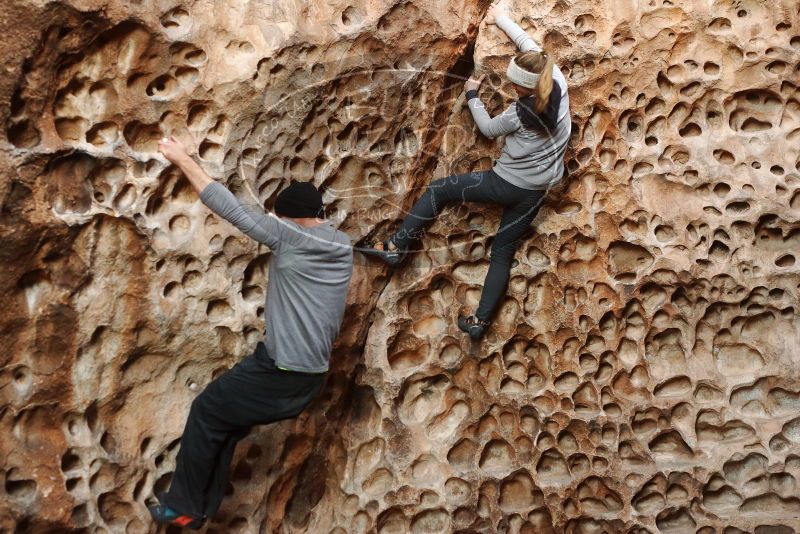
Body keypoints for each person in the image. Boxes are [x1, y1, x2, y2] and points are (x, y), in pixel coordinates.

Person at [147, 137, 353, 529]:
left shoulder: (290, 238)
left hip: (280, 372)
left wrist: (182, 159)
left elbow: (228, 206)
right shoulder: (341, 245)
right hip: (309, 378)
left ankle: (182, 506)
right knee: (224, 424)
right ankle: (196, 509)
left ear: (290, 219)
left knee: (206, 409)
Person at [363, 3, 571, 340]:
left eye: (516, 85)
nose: (513, 88)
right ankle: (480, 323)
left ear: (526, 87)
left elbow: (488, 129)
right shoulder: (556, 80)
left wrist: (472, 94)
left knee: (439, 190)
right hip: (536, 192)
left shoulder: (520, 114)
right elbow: (529, 46)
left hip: (505, 184)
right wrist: (502, 19)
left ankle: (397, 247)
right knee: (503, 251)